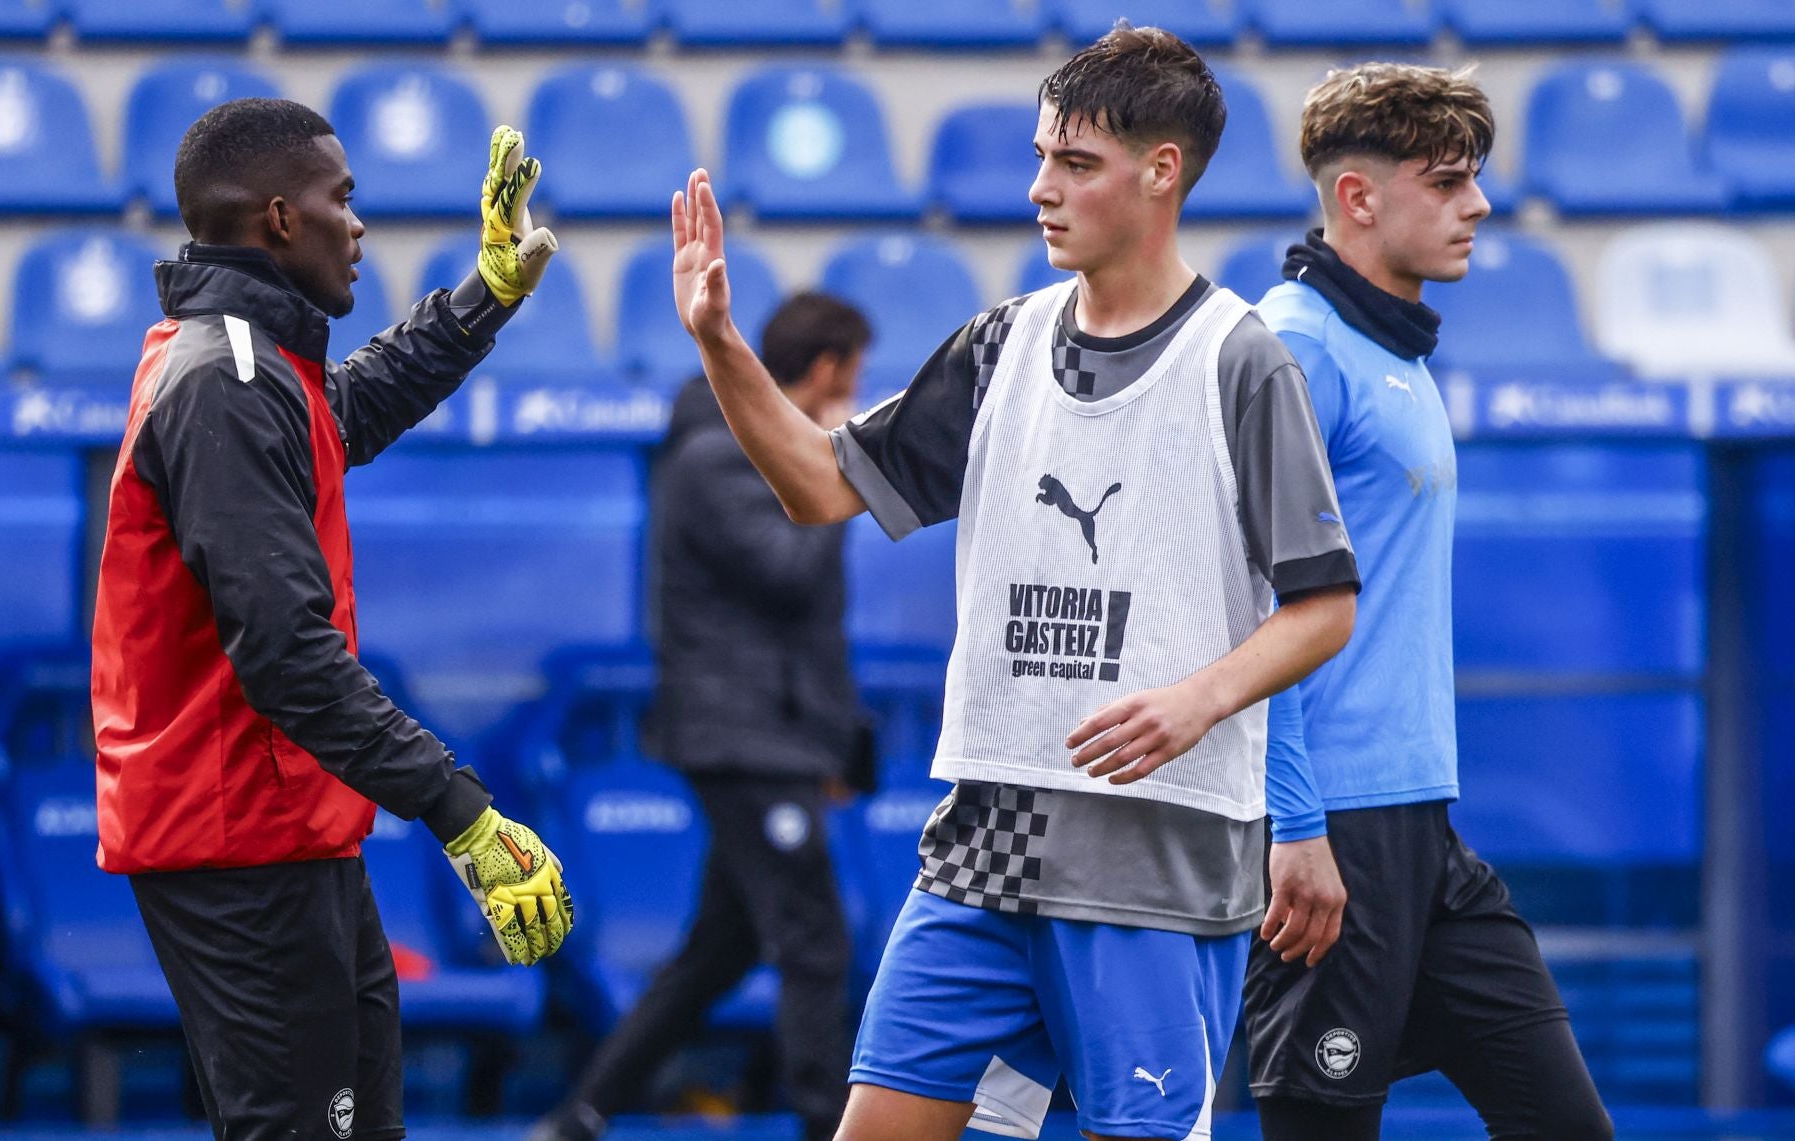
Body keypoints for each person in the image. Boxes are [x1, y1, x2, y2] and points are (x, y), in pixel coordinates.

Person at [671, 25, 1361, 1141]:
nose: (1041, 189)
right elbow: (817, 487)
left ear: (1163, 172)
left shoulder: (1241, 360)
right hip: (982, 847)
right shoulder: (998, 345)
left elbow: (1326, 605)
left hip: (1154, 865)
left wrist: (1197, 700)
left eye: (1075, 165)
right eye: (1042, 157)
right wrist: (718, 341)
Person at [90, 98, 573, 1141]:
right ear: (277, 218)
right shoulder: (224, 380)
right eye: (340, 200)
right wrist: (462, 814)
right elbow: (287, 659)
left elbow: (345, 413)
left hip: (282, 828)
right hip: (237, 840)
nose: (357, 226)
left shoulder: (255, 366)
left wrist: (482, 298)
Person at [1242, 63, 1614, 1141]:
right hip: (1328, 832)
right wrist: (1295, 821)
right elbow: (1244, 598)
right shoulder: (1298, 345)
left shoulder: (1389, 346)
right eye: (1448, 182)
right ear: (1359, 198)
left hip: (1420, 828)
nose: (1480, 206)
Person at [530, 292, 874, 1141]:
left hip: (774, 733)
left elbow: (807, 619)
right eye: (853, 376)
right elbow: (791, 570)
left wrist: (836, 744)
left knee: (717, 953)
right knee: (815, 943)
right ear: (827, 371)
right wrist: (845, 460)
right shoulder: (714, 454)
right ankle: (830, 1126)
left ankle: (580, 1114)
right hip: (742, 737)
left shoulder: (758, 450)